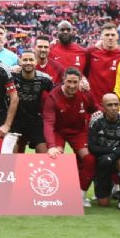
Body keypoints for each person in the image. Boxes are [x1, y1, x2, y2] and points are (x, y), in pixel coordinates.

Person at [43, 68, 97, 207]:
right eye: (69, 82)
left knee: (89, 159)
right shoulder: (53, 96)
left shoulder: (85, 93)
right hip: (58, 131)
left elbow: (94, 109)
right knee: (56, 157)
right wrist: (51, 146)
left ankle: (80, 195)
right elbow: (49, 123)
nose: (72, 85)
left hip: (78, 132)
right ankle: (56, 194)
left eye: (75, 82)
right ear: (63, 81)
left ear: (80, 82)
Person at [88, 93, 120, 210]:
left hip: (116, 158)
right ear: (102, 106)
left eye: (116, 105)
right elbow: (92, 147)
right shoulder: (95, 121)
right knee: (103, 204)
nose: (114, 108)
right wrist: (112, 151)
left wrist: (110, 156)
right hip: (101, 160)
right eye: (109, 105)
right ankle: (104, 185)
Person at [10, 50, 55, 153]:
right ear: (20, 61)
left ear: (36, 62)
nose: (28, 62)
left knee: (44, 154)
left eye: (31, 59)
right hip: (15, 122)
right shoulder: (12, 77)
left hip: (35, 122)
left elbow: (56, 95)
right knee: (10, 158)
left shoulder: (44, 79)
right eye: (25, 60)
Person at [85, 22, 120, 106]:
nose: (110, 37)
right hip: (94, 107)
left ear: (117, 36)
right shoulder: (91, 53)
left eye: (113, 35)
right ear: (101, 37)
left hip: (115, 107)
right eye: (107, 35)